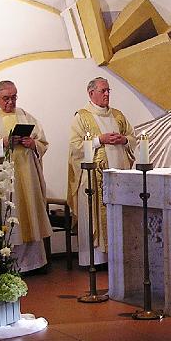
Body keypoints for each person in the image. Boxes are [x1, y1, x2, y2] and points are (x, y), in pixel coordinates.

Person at [0, 81, 53, 274]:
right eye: (6, 98)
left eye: (14, 97)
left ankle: (34, 263)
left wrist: (32, 143)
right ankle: (9, 264)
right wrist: (3, 142)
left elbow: (43, 142)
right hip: (5, 179)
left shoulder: (25, 116)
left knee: (30, 215)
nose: (10, 102)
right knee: (10, 215)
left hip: (28, 175)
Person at [68, 77, 137, 268]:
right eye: (103, 91)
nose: (107, 94)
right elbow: (75, 147)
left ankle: (118, 256)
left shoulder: (118, 116)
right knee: (95, 215)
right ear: (91, 93)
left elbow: (133, 138)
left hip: (119, 177)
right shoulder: (81, 117)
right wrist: (99, 140)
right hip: (93, 179)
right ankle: (95, 260)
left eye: (108, 91)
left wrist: (123, 140)